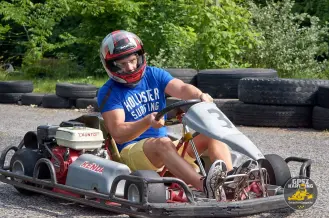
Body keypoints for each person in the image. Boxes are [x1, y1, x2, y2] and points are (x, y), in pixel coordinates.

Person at [97, 30, 247, 200]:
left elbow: (182, 88)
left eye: (132, 61)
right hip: (132, 153)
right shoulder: (109, 92)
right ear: (111, 66)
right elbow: (118, 133)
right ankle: (205, 186)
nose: (130, 67)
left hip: (166, 148)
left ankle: (228, 183)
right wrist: (146, 122)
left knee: (211, 134)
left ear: (140, 56)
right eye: (122, 64)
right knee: (163, 143)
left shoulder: (154, 74)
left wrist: (199, 96)